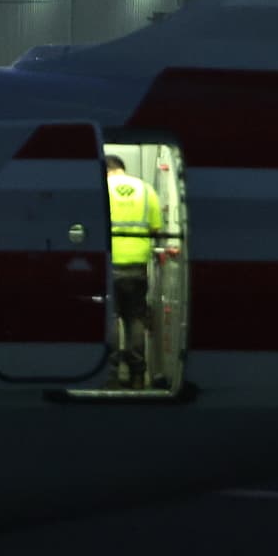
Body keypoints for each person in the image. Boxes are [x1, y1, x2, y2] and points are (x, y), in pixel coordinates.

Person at [104, 153, 164, 386]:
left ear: (107, 169)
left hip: (110, 262)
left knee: (111, 318)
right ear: (122, 168)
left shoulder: (102, 188)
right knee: (135, 318)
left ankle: (111, 374)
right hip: (137, 264)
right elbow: (157, 228)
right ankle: (138, 374)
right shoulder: (146, 190)